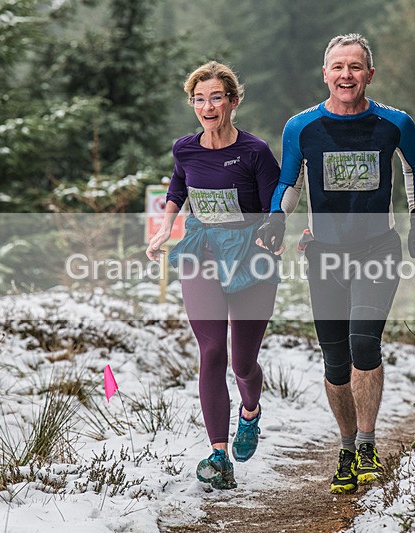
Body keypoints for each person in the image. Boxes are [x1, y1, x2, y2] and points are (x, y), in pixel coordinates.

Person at [256, 33, 415, 494]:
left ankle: (370, 443)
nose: (346, 75)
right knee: (335, 358)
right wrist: (277, 217)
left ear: (369, 74)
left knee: (363, 342)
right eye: (338, 66)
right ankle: (348, 447)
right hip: (324, 253)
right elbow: (290, 179)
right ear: (325, 74)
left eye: (355, 67)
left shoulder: (394, 123)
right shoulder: (302, 127)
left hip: (378, 248)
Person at [145, 61, 281, 490]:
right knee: (211, 351)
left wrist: (269, 238)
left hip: (249, 256)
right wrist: (168, 226)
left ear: (233, 102)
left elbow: (275, 207)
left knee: (242, 362)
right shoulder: (185, 148)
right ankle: (219, 455)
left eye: (216, 97)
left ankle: (251, 412)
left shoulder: (255, 152)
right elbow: (178, 185)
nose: (207, 106)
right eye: (199, 99)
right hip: (201, 250)